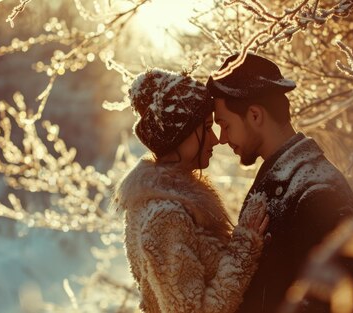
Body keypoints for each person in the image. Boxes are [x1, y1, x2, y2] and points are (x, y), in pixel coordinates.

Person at [206, 53, 353, 313]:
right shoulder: (284, 180)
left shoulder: (318, 192)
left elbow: (323, 305)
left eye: (225, 124)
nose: (222, 138)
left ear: (255, 115)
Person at [111, 68, 269, 313]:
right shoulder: (165, 218)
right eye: (206, 128)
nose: (215, 139)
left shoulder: (166, 203)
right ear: (179, 135)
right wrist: (244, 248)